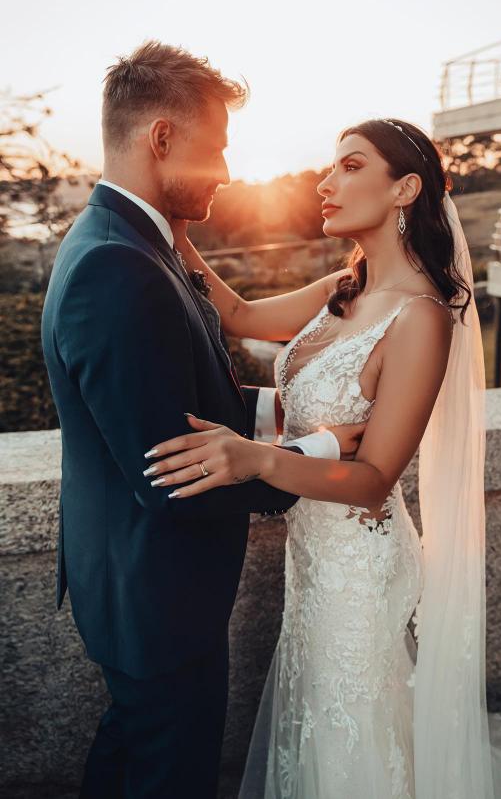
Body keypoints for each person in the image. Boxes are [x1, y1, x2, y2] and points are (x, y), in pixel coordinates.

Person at [149, 118, 501, 798]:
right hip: (315, 553)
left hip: (361, 562)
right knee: (321, 713)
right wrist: (171, 228)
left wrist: (256, 460)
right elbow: (238, 314)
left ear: (405, 189)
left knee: (354, 719)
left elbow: (373, 479)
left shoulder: (422, 317)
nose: (325, 184)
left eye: (351, 167)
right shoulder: (342, 288)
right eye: (330, 168)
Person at [40, 40, 364, 799]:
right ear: (162, 139)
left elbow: (174, 392)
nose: (226, 171)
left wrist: (276, 408)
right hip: (154, 594)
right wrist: (315, 448)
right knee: (169, 774)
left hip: (134, 582)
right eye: (216, 148)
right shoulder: (118, 266)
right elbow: (173, 472)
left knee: (132, 751)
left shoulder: (129, 242)